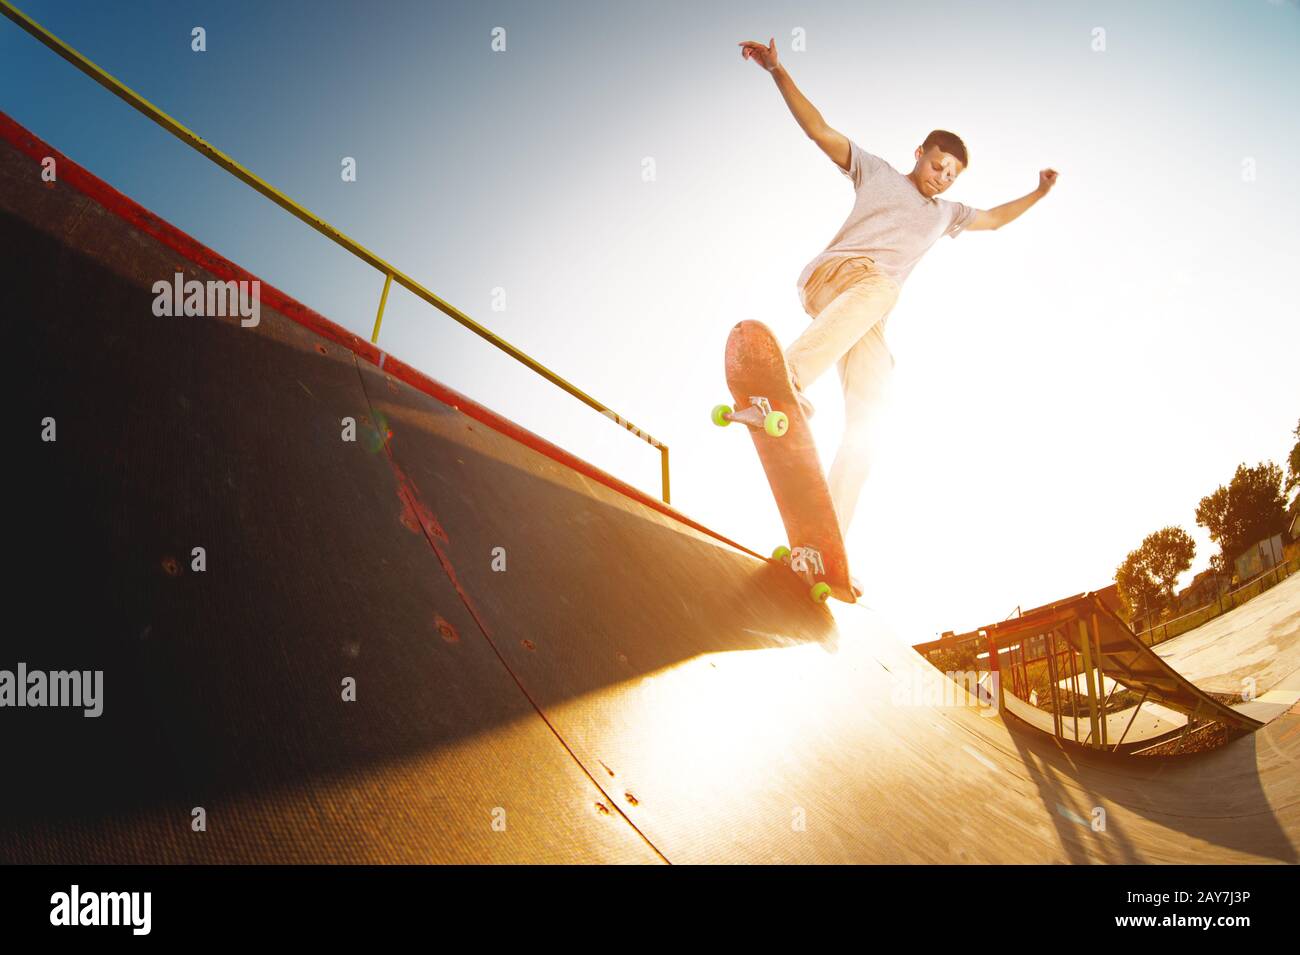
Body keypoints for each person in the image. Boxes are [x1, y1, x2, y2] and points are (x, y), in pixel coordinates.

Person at [740, 37, 1058, 593]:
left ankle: (822, 544)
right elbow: (819, 129)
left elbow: (998, 220)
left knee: (871, 417)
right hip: (834, 281)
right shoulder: (877, 171)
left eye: (953, 174)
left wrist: (1037, 193)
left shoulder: (949, 215)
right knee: (885, 289)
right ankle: (782, 378)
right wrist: (777, 71)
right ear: (920, 153)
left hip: (865, 314)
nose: (943, 178)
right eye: (939, 165)